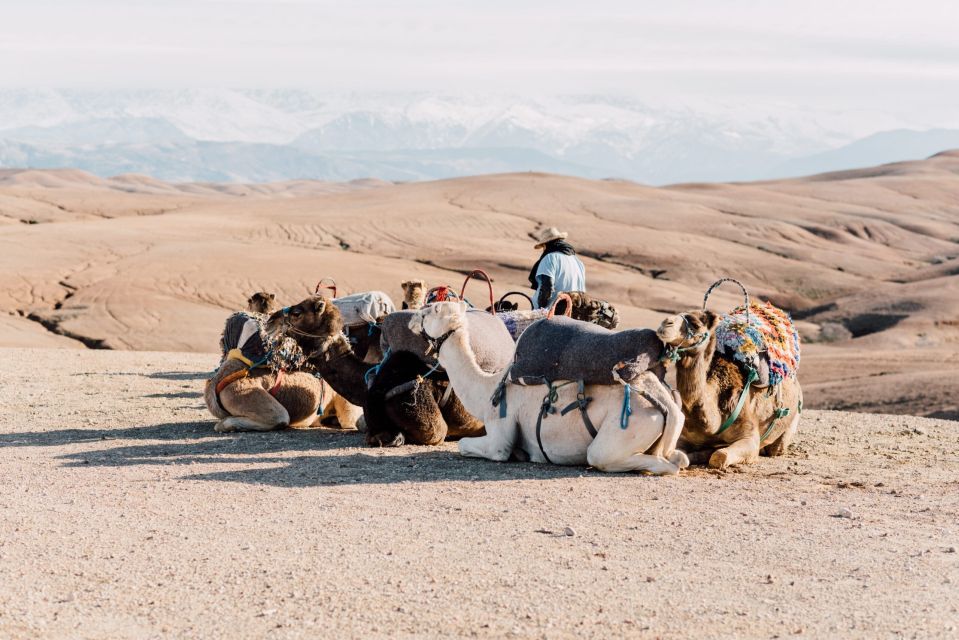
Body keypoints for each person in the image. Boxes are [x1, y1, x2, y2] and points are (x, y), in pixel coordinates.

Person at [528, 227, 586, 308]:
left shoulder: (549, 257)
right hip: (571, 311)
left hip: (550, 313)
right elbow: (581, 292)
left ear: (545, 245)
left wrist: (540, 309)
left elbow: (547, 287)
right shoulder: (578, 261)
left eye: (543, 247)